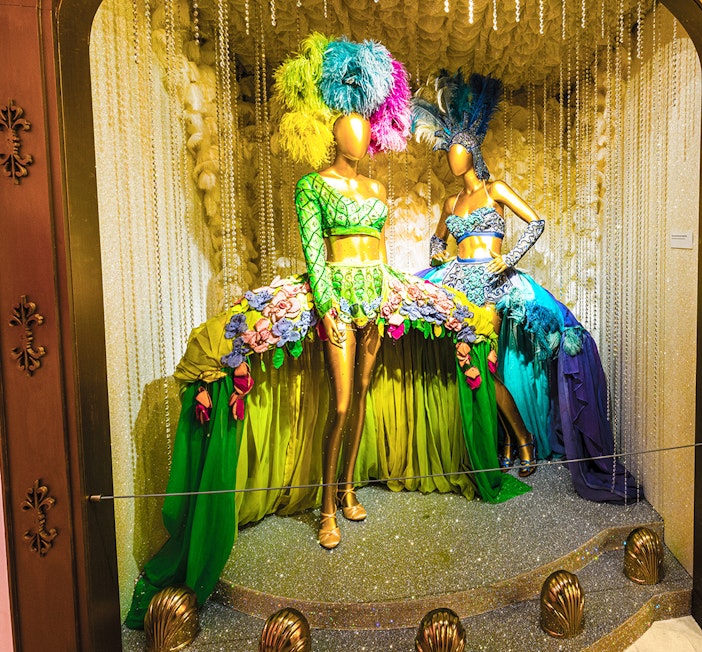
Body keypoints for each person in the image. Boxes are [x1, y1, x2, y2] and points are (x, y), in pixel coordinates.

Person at [124, 37, 522, 628]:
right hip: (337, 295)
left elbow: (382, 249)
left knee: (361, 396)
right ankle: (327, 506)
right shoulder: (312, 186)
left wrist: (391, 294)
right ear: (335, 130)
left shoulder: (375, 188)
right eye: (351, 127)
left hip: (376, 295)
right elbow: (315, 252)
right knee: (338, 403)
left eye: (367, 128)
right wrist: (330, 303)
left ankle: (351, 492)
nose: (360, 138)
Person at [413, 71, 640, 503]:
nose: (453, 161)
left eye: (458, 153)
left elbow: (535, 221)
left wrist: (509, 259)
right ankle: (500, 444)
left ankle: (522, 440)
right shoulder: (449, 203)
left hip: (495, 283)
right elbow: (436, 240)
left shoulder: (495, 189)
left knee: (490, 364)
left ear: (472, 153)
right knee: (472, 368)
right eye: (449, 155)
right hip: (459, 282)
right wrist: (436, 255)